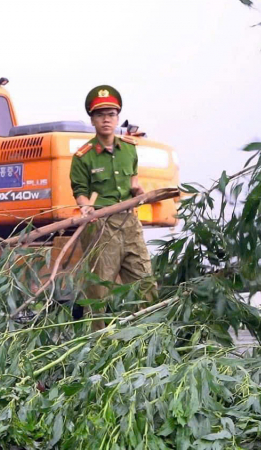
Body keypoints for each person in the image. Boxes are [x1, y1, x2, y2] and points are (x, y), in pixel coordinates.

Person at [69, 85, 157, 327]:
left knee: (144, 282)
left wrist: (138, 191)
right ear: (92, 120)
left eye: (110, 114)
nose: (106, 120)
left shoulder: (129, 150)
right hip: (100, 227)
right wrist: (86, 208)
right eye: (100, 115)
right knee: (99, 289)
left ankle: (149, 335)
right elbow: (80, 192)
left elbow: (133, 182)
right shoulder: (83, 157)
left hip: (130, 223)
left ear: (117, 118)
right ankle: (98, 344)